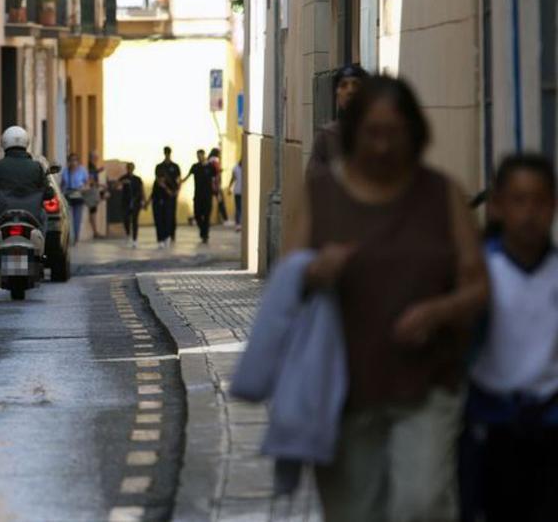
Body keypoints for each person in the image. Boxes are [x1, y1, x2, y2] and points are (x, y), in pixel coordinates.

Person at [288, 76, 488, 521]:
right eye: (371, 133)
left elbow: (478, 284)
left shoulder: (443, 195)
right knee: (354, 512)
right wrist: (315, 271)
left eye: (393, 133)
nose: (381, 146)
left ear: (414, 133)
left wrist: (441, 310)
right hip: (342, 390)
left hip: (427, 383)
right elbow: (288, 281)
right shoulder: (321, 197)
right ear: (353, 133)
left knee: (421, 504)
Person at [462, 154, 558, 521]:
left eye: (539, 201)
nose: (530, 213)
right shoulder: (480, 271)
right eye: (519, 200)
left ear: (553, 205)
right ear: (499, 206)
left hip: (549, 424)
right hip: (490, 425)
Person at [0, 126, 54, 230]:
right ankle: (40, 244)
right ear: (26, 143)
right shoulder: (36, 166)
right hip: (32, 214)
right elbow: (49, 193)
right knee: (43, 216)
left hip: (4, 213)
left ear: (4, 143)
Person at [309, 63, 369, 175]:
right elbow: (314, 181)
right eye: (344, 85)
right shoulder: (326, 137)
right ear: (337, 93)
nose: (350, 91)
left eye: (356, 85)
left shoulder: (378, 133)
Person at [183, 150, 214, 244]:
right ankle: (203, 231)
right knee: (197, 215)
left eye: (200, 155)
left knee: (207, 216)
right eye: (198, 156)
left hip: (208, 195)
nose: (199, 157)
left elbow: (216, 178)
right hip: (198, 195)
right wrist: (180, 182)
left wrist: (218, 193)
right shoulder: (195, 167)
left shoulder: (210, 167)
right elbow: (187, 176)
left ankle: (205, 235)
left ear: (204, 155)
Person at [152, 147, 181, 248]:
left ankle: (170, 235)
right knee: (160, 217)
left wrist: (177, 191)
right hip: (161, 195)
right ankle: (162, 237)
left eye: (168, 153)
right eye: (166, 153)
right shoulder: (159, 167)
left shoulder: (175, 166)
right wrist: (168, 191)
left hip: (172, 196)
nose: (167, 154)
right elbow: (159, 181)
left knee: (170, 216)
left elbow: (178, 180)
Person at [62, 153, 90, 244]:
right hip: (68, 196)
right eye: (71, 160)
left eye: (75, 160)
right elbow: (62, 185)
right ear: (68, 161)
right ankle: (69, 237)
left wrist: (83, 188)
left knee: (77, 218)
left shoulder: (82, 170)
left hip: (78, 196)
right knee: (68, 218)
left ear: (78, 161)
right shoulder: (65, 171)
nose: (73, 162)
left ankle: (76, 238)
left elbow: (87, 184)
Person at [118, 162, 146, 248]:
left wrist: (143, 200)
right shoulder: (123, 178)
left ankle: (135, 239)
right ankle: (127, 234)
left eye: (131, 168)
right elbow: (116, 185)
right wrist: (122, 182)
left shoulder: (137, 179)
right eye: (128, 168)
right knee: (126, 218)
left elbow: (141, 190)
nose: (130, 169)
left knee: (135, 220)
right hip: (126, 201)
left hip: (136, 201)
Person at [86, 151, 107, 239]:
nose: (97, 159)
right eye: (95, 157)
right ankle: (95, 232)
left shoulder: (92, 166)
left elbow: (93, 174)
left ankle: (95, 231)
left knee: (93, 211)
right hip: (91, 190)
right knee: (92, 211)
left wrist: (98, 171)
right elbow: (91, 178)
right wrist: (101, 185)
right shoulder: (90, 166)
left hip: (93, 190)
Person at [227, 159, 243, 229]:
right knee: (238, 208)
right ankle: (238, 223)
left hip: (242, 191)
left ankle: (240, 222)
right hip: (238, 191)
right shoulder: (235, 168)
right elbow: (233, 178)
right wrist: (229, 188)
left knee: (240, 208)